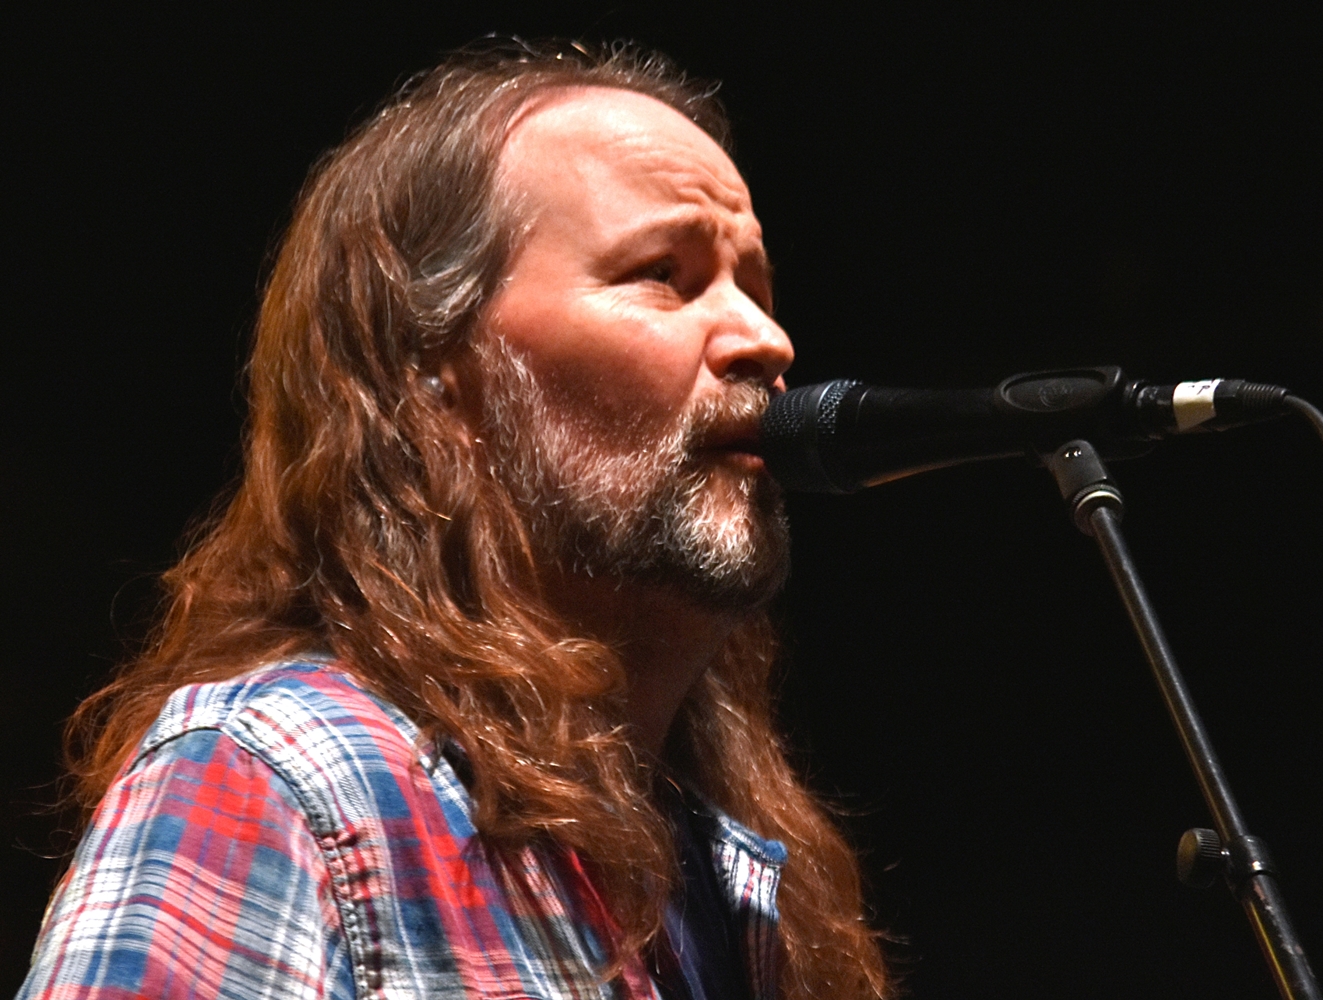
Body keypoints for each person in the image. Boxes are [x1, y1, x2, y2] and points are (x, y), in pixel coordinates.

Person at [20, 42, 889, 1000]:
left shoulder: (738, 894)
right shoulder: (283, 777)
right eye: (662, 273)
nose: (767, 340)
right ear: (436, 374)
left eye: (755, 289)